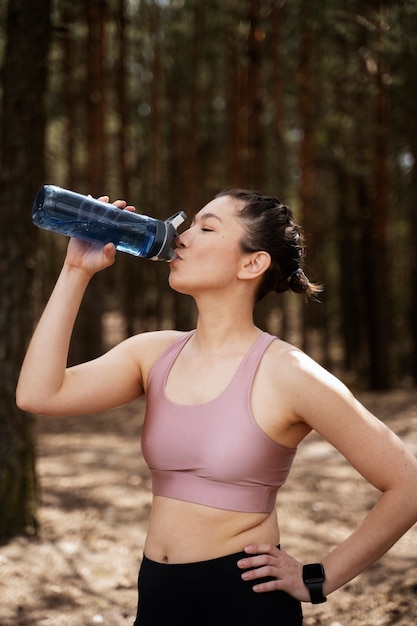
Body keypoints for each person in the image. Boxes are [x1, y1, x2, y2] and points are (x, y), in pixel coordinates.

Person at [16, 189, 417, 625]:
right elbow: (39, 395)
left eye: (207, 228)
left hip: (243, 600)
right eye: (190, 225)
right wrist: (76, 270)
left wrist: (319, 578)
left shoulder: (289, 373)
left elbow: (407, 484)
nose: (184, 237)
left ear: (252, 264)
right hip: (157, 595)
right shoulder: (153, 353)